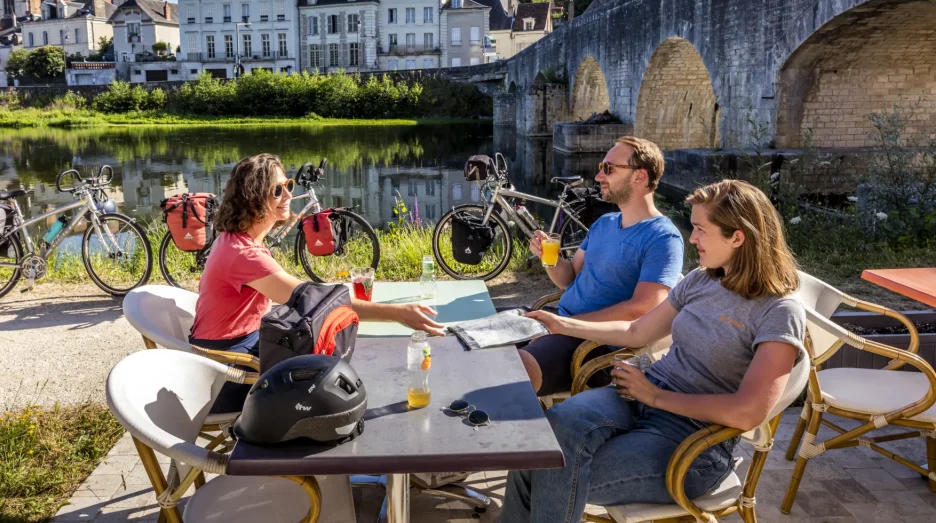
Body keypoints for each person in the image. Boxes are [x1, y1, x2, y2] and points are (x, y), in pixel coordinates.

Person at [500, 179, 808, 523]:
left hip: (694, 440)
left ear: (737, 237)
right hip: (641, 396)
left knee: (553, 469)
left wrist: (657, 397)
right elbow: (638, 330)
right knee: (539, 448)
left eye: (700, 230)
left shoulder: (779, 312)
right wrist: (563, 325)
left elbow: (747, 413)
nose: (692, 239)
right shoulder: (702, 280)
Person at [189, 153, 444, 411]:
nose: (289, 195)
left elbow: (304, 297)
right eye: (277, 190)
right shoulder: (244, 254)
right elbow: (313, 303)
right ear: (252, 197)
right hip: (229, 372)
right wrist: (400, 314)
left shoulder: (240, 239)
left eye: (288, 185)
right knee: (332, 371)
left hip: (234, 349)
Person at [520, 136, 684, 395]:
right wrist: (548, 258)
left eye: (608, 168)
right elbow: (569, 278)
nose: (598, 176)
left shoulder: (663, 237)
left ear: (639, 176)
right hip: (561, 321)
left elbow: (642, 308)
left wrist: (567, 324)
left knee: (518, 368)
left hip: (595, 342)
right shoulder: (604, 223)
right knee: (480, 334)